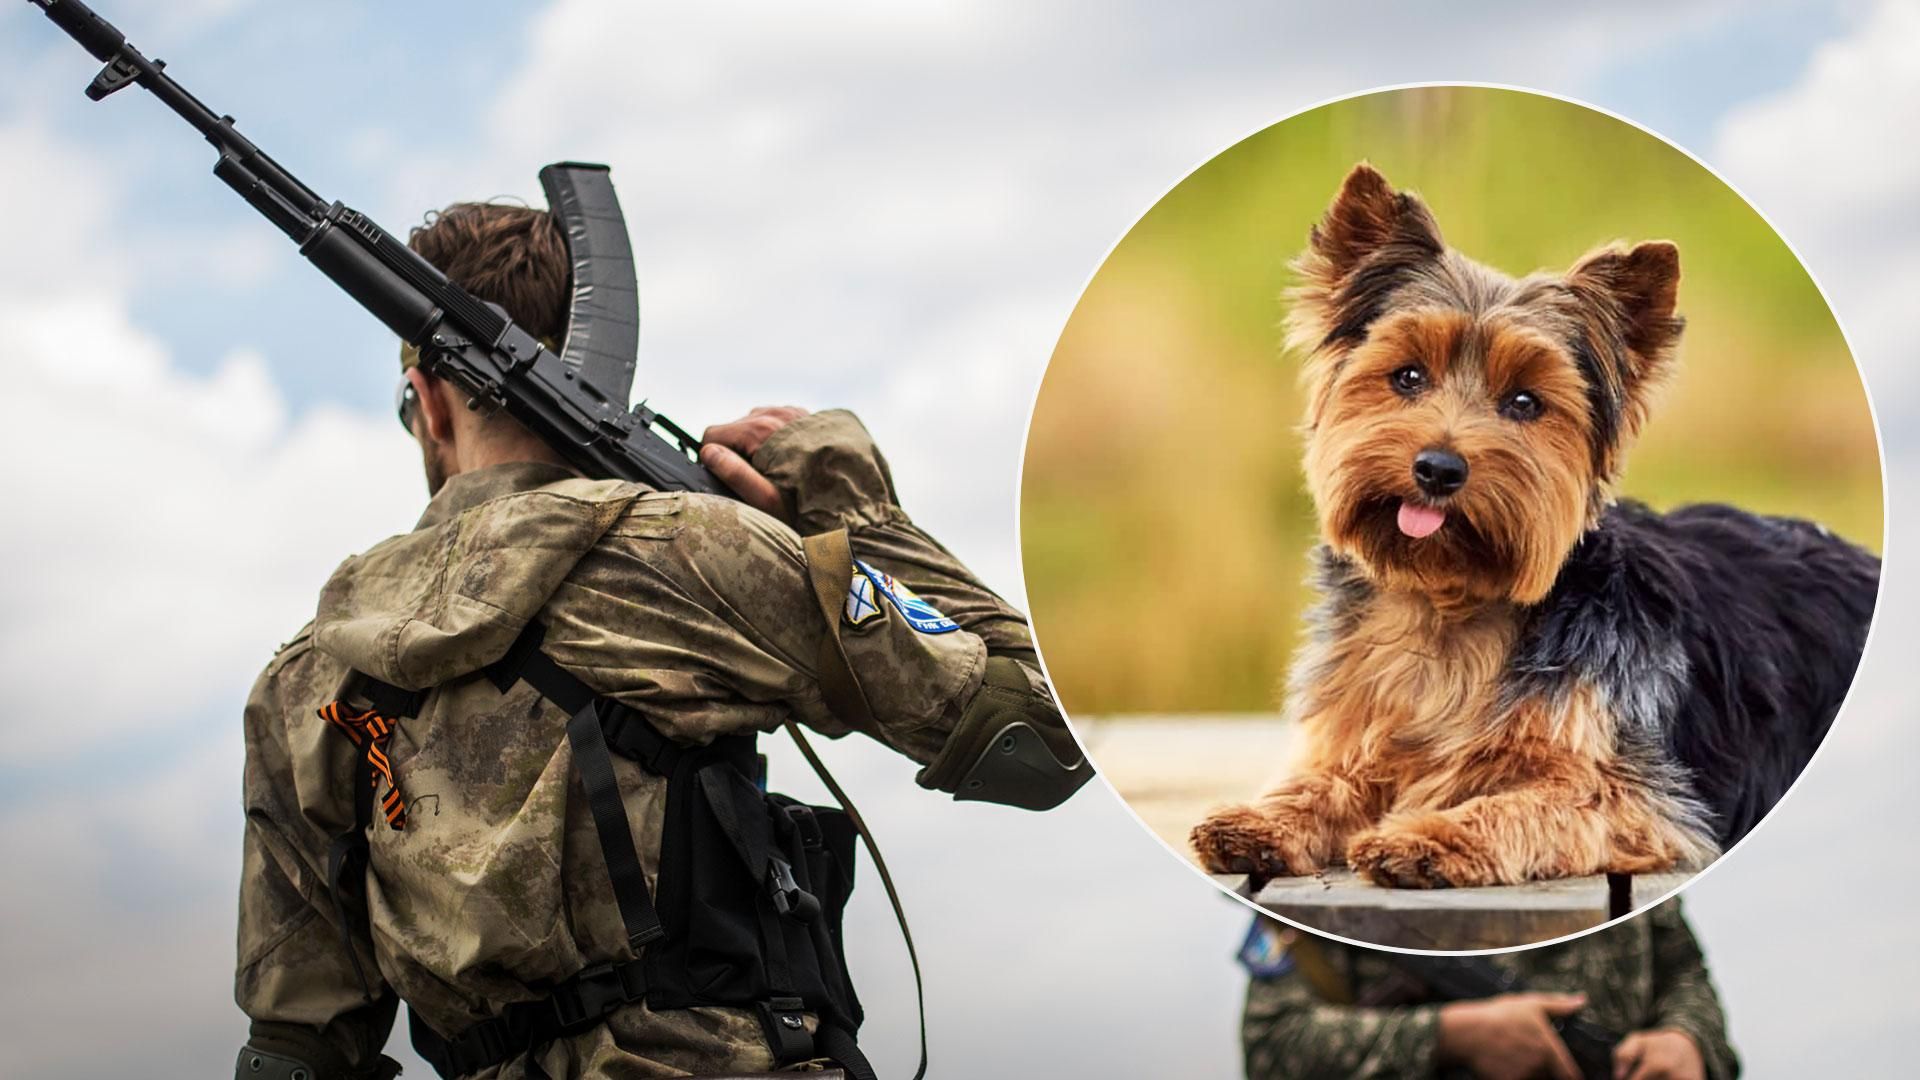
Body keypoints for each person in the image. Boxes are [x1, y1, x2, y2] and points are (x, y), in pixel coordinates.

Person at [234, 201, 1082, 1078]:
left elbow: (296, 1048)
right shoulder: (700, 555)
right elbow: (1045, 739)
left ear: (429, 403)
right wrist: (854, 512)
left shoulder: (309, 680)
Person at [1240, 898, 1739, 1080]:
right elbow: (1273, 1047)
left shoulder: (1626, 834)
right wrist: (1451, 1036)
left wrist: (1686, 1041)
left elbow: (1685, 973)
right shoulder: (1315, 875)